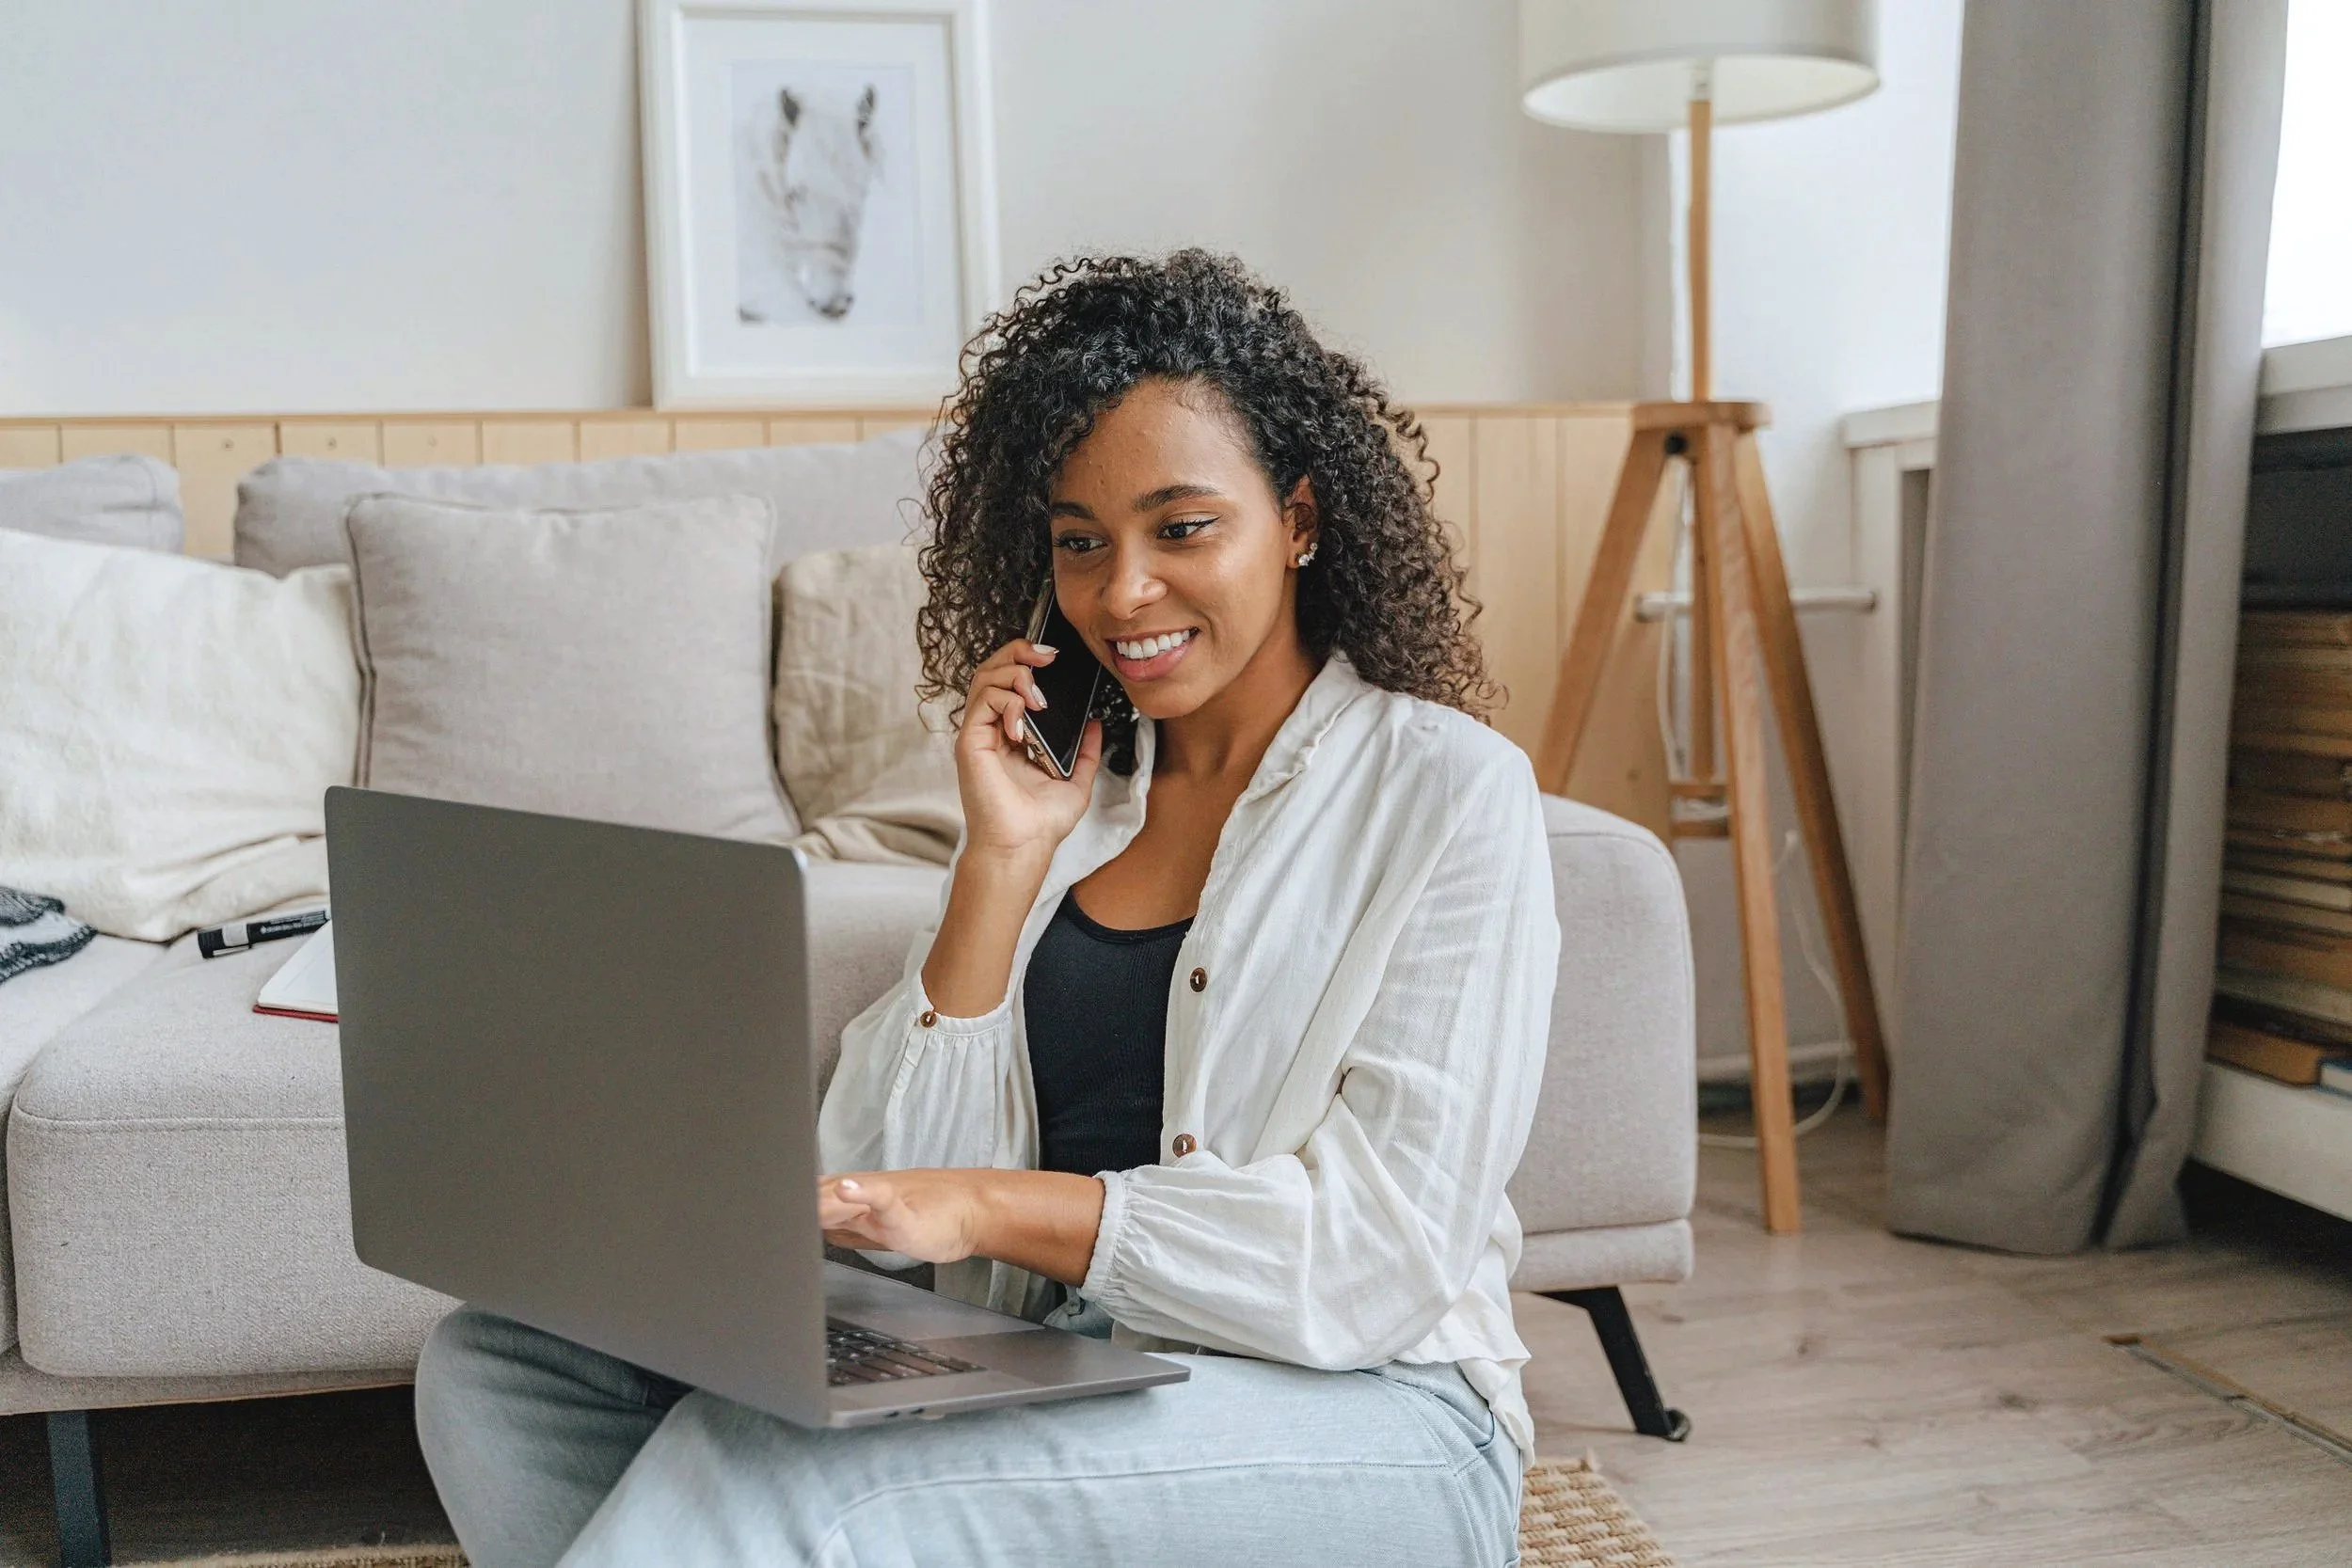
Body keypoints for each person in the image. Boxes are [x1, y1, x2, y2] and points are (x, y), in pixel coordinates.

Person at [414, 250, 1560, 1567]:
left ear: (1298, 519)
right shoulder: (1076, 798)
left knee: (787, 1473)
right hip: (1074, 1362)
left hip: (1379, 1416)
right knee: (499, 1365)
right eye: (1081, 542)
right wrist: (1002, 864)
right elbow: (888, 1176)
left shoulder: (1448, 793)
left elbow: (1376, 1255)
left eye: (1181, 528)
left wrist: (991, 1205)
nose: (1122, 593)